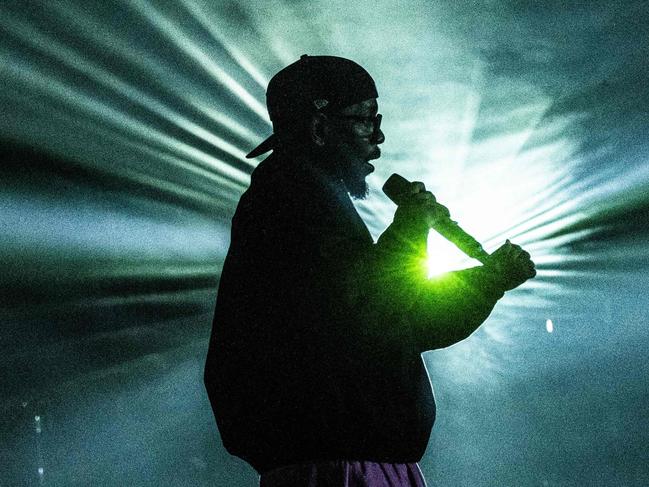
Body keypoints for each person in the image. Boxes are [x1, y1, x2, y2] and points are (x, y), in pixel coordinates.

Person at [204, 54, 536, 486]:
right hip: (337, 470)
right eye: (364, 120)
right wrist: (412, 227)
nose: (378, 138)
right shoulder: (290, 201)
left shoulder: (311, 199)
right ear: (320, 128)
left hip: (356, 465)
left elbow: (401, 321)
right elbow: (372, 313)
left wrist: (487, 280)